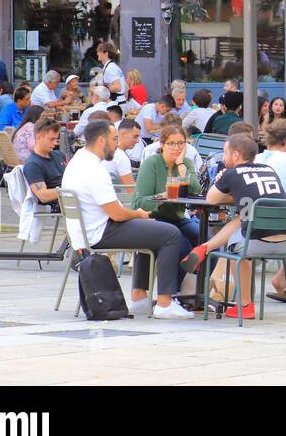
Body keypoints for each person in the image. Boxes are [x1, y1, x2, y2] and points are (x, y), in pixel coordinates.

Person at [62, 120, 193, 319]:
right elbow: (116, 213)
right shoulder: (94, 170)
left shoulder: (77, 161)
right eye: (114, 139)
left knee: (149, 229)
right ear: (100, 140)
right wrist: (138, 213)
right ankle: (165, 303)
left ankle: (140, 298)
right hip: (100, 232)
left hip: (85, 233)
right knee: (170, 234)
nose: (116, 144)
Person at [180, 133, 286, 319]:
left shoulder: (232, 173)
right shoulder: (268, 169)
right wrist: (238, 196)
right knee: (243, 217)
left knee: (235, 246)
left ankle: (245, 305)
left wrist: (223, 178)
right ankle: (204, 248)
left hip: (257, 242)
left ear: (235, 156)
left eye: (225, 153)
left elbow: (211, 198)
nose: (223, 157)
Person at [132, 125, 201, 266]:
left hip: (177, 218)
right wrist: (165, 195)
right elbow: (140, 202)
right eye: (171, 144)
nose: (177, 148)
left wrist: (181, 164)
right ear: (162, 145)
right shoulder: (151, 163)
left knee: (206, 239)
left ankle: (200, 281)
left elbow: (196, 190)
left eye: (181, 143)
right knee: (183, 246)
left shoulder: (185, 163)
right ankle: (177, 286)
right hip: (153, 218)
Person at [22, 118, 65, 208]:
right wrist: (72, 189)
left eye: (56, 139)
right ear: (38, 137)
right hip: (63, 201)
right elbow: (43, 196)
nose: (55, 143)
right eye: (51, 139)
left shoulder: (59, 155)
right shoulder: (33, 165)